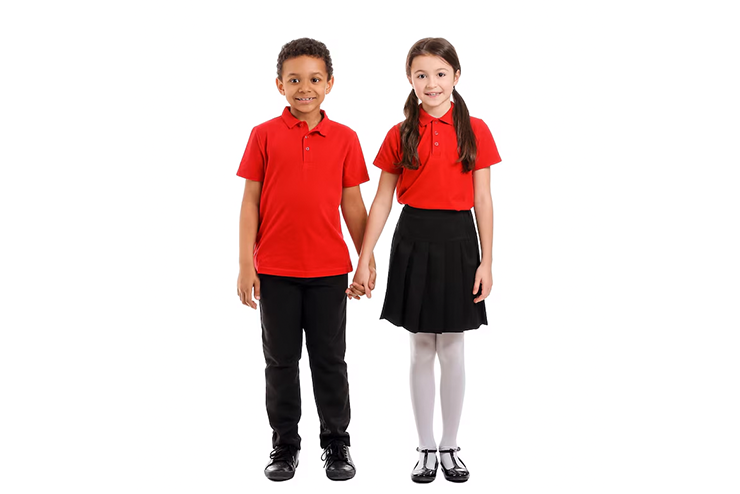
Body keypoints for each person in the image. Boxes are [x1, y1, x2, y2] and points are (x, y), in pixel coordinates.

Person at [349, 37, 501, 483]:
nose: (431, 83)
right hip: (413, 238)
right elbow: (382, 200)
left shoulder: (476, 129)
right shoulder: (399, 133)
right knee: (420, 347)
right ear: (409, 79)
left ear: (456, 76)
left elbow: (483, 200)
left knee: (452, 347)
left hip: (459, 241)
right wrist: (364, 256)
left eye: (440, 73)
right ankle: (425, 448)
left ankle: (450, 445)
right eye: (421, 75)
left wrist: (487, 261)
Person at [236, 37, 376, 482]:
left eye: (315, 79)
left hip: (328, 271)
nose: (305, 88)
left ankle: (336, 442)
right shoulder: (263, 135)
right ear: (279, 85)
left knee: (330, 361)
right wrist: (245, 263)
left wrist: (366, 258)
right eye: (294, 80)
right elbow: (250, 202)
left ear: (330, 83)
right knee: (280, 362)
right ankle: (285, 444)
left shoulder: (345, 138)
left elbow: (352, 203)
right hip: (275, 271)